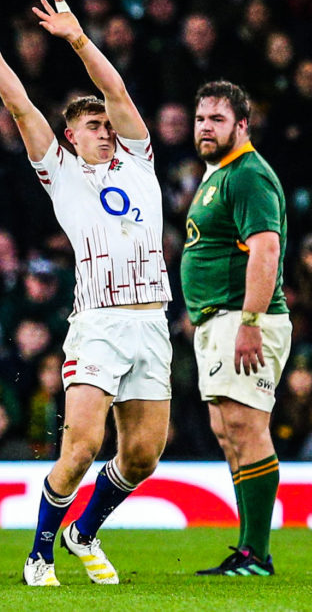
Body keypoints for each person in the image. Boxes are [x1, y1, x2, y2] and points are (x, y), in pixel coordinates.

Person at [0, 0, 172, 587]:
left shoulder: (138, 160)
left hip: (152, 321)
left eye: (107, 123)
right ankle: (40, 554)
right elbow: (22, 108)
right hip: (99, 321)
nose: (105, 130)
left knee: (143, 456)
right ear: (72, 136)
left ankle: (84, 531)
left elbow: (119, 92)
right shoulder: (62, 175)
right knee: (81, 446)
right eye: (93, 125)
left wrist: (78, 39)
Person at [184, 80, 291, 577]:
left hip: (244, 319)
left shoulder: (248, 175)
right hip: (219, 321)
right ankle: (250, 550)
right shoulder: (219, 175)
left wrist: (250, 320)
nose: (206, 127)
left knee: (247, 427)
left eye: (218, 120)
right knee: (227, 429)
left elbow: (265, 250)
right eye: (201, 118)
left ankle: (256, 554)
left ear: (242, 125)